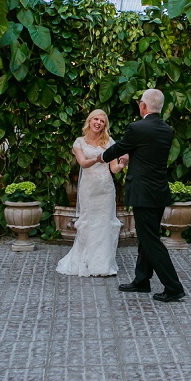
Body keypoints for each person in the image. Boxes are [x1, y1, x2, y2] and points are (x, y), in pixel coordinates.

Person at [99, 88, 186, 302]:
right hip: (158, 192)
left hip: (143, 193)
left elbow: (119, 148)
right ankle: (142, 280)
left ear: (143, 106)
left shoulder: (137, 128)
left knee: (150, 240)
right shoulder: (167, 129)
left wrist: (102, 155)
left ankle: (173, 287)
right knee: (147, 238)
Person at [56, 109, 128, 277]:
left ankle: (103, 265)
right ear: (89, 121)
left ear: (105, 125)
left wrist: (123, 163)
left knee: (105, 224)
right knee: (89, 223)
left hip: (105, 190)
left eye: (102, 121)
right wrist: (98, 158)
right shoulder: (79, 142)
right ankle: (85, 261)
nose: (98, 123)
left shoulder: (109, 141)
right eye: (96, 119)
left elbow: (114, 169)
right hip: (89, 190)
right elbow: (82, 163)